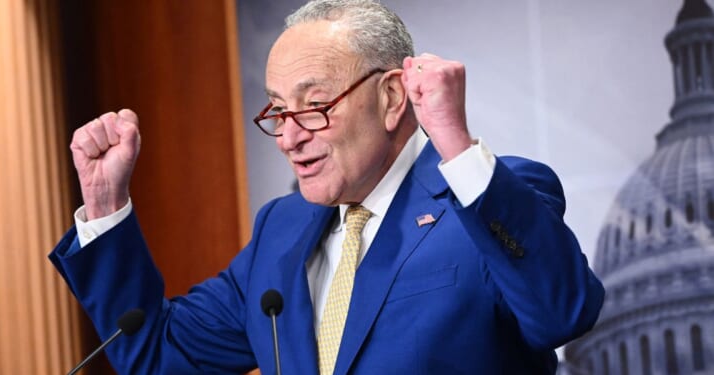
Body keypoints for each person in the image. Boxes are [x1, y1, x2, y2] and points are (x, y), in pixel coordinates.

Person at [50, 0, 604, 373]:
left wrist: (455, 143)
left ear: (391, 98)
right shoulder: (282, 228)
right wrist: (105, 204)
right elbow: (157, 356)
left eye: (314, 107)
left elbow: (563, 314)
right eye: (277, 110)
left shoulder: (489, 199)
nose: (288, 137)